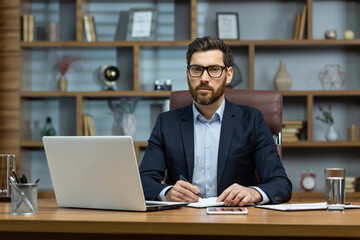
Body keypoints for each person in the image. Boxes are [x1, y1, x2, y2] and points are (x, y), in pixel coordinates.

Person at [139, 36, 292, 206]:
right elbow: (143, 181)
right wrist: (167, 193)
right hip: (183, 220)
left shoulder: (251, 120)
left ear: (228, 75)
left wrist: (253, 192)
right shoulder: (166, 123)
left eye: (214, 69)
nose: (204, 78)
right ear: (188, 74)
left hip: (235, 219)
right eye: (197, 69)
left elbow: (281, 184)